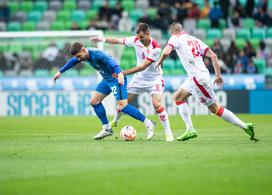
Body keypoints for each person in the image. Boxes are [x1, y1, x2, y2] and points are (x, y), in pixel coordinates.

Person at [156, 22, 258, 142]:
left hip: (198, 79)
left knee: (215, 109)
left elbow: (166, 51)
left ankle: (245, 126)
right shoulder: (195, 40)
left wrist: (160, 62)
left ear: (172, 31)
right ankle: (190, 129)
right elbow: (213, 56)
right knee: (177, 97)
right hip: (197, 76)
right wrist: (218, 75)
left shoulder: (175, 37)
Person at [53, 42, 155, 140]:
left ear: (84, 50)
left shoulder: (97, 55)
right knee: (94, 102)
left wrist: (120, 74)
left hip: (116, 78)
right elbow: (73, 61)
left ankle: (148, 123)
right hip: (106, 80)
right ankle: (107, 129)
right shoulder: (83, 55)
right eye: (77, 57)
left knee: (123, 106)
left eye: (79, 56)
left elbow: (112, 62)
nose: (79, 59)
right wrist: (60, 71)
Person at [90, 23, 174, 141]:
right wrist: (102, 39)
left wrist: (122, 73)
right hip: (139, 78)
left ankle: (168, 133)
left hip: (154, 79)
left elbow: (143, 66)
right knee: (122, 102)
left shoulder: (156, 48)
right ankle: (115, 121)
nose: (140, 40)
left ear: (148, 33)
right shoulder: (135, 40)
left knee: (157, 104)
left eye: (142, 37)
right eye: (138, 37)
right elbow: (118, 41)